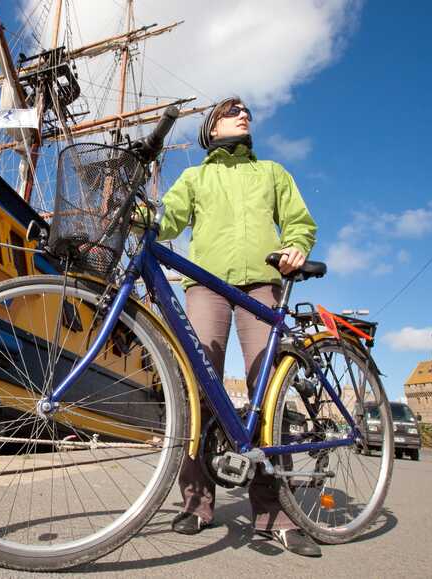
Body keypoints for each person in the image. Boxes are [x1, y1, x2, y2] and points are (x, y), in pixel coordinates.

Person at [154, 97, 320, 557]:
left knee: (267, 396)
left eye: (246, 111)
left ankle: (274, 514)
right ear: (212, 128)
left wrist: (296, 246)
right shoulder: (195, 177)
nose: (243, 115)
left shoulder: (272, 172)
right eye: (232, 111)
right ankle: (196, 503)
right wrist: (144, 217)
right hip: (205, 284)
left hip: (262, 286)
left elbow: (299, 224)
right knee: (197, 389)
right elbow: (169, 221)